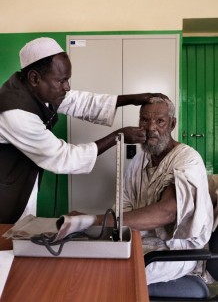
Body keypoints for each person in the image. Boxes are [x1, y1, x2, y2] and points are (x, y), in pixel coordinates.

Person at [0, 37, 165, 224]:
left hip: (17, 181)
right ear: (35, 78)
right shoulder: (15, 112)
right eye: (62, 81)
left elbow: (81, 102)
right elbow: (63, 157)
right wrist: (117, 137)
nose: (67, 87)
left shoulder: (35, 89)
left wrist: (131, 99)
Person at [92, 95, 213, 284]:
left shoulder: (188, 160)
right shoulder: (139, 161)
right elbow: (122, 210)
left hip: (176, 252)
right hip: (142, 240)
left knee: (113, 275)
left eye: (160, 121)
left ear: (172, 124)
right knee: (92, 257)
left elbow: (167, 212)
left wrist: (93, 220)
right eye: (145, 120)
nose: (151, 128)